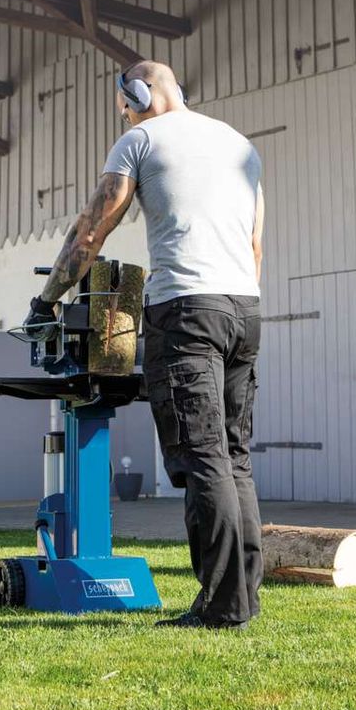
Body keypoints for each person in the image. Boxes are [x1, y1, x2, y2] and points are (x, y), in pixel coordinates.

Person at [24, 60, 265, 630]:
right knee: (234, 456)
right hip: (244, 310)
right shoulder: (240, 145)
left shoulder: (140, 140)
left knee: (202, 456)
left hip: (185, 311)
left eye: (125, 105)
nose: (125, 115)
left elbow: (91, 230)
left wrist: (46, 301)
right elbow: (255, 244)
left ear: (138, 94)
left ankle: (224, 606)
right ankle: (243, 597)